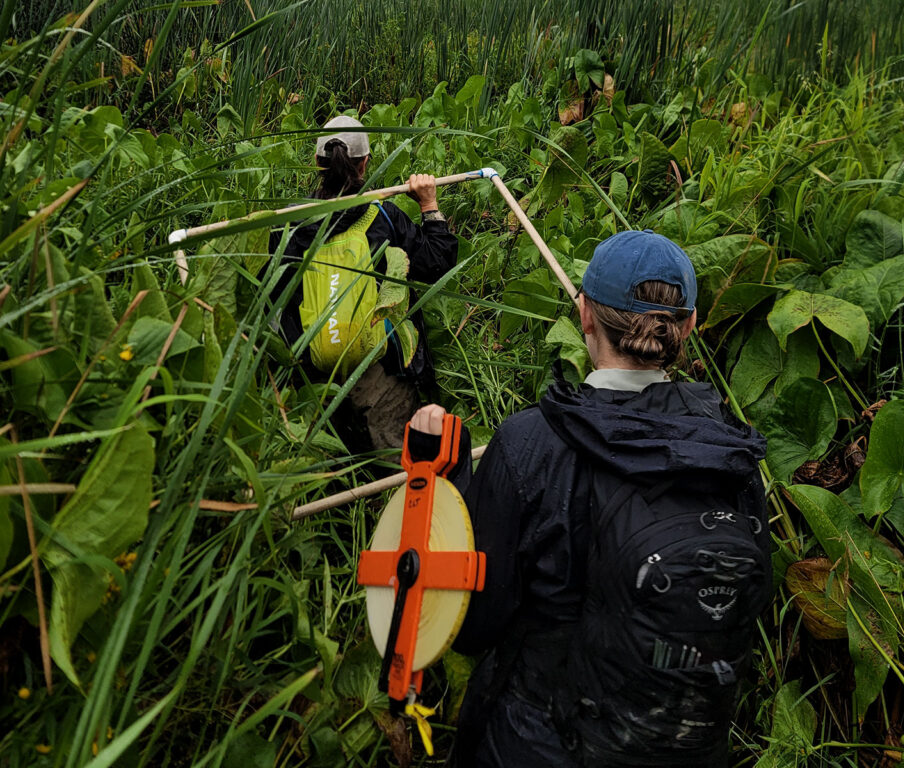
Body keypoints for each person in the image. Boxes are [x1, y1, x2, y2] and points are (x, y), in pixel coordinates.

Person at [407, 230, 771, 767]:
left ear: (585, 316)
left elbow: (470, 623)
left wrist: (447, 474)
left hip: (535, 743)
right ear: (689, 325)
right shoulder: (731, 450)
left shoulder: (531, 442)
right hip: (685, 746)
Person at [267, 114, 458, 452]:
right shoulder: (383, 217)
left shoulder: (289, 227)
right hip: (380, 371)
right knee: (396, 468)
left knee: (328, 472)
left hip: (312, 379)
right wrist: (429, 205)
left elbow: (274, 302)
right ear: (365, 164)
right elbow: (435, 264)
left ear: (316, 163)